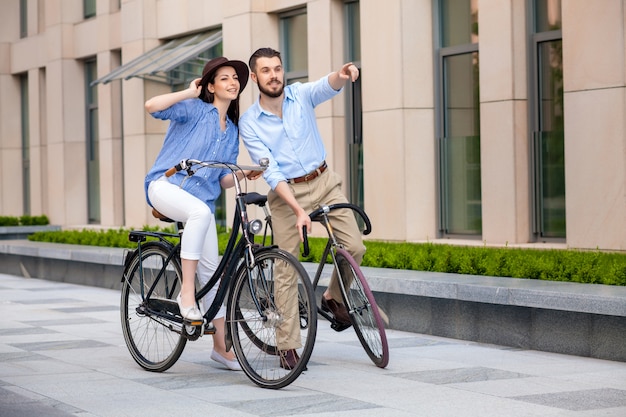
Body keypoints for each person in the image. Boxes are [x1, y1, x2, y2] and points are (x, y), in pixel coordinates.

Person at [239, 47, 366, 369]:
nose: (274, 75)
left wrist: (343, 74)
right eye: (266, 70)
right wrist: (298, 210)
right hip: (286, 194)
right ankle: (288, 344)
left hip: (324, 182)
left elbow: (327, 85)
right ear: (255, 78)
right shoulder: (250, 122)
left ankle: (333, 297)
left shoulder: (299, 95)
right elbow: (271, 172)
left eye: (278, 68)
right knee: (285, 268)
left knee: (354, 246)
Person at [144, 56, 260, 371]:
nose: (232, 82)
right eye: (224, 78)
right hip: (164, 185)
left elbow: (220, 179)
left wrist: (242, 175)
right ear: (210, 85)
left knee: (214, 272)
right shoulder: (194, 109)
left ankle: (221, 349)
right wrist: (188, 92)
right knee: (199, 213)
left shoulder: (231, 129)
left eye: (235, 78)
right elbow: (152, 106)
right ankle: (186, 295)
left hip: (202, 206)